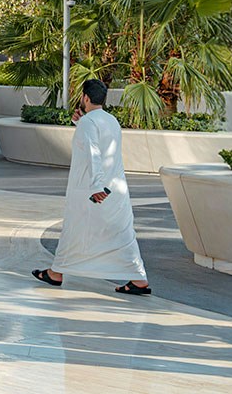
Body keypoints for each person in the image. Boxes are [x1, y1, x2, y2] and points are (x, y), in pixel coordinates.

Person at [33, 79, 151, 295]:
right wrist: (80, 124)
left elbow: (93, 153)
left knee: (74, 229)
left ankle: (56, 273)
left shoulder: (89, 122)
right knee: (122, 233)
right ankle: (139, 279)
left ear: (85, 98)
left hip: (92, 191)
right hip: (116, 190)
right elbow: (101, 146)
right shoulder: (111, 120)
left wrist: (97, 186)